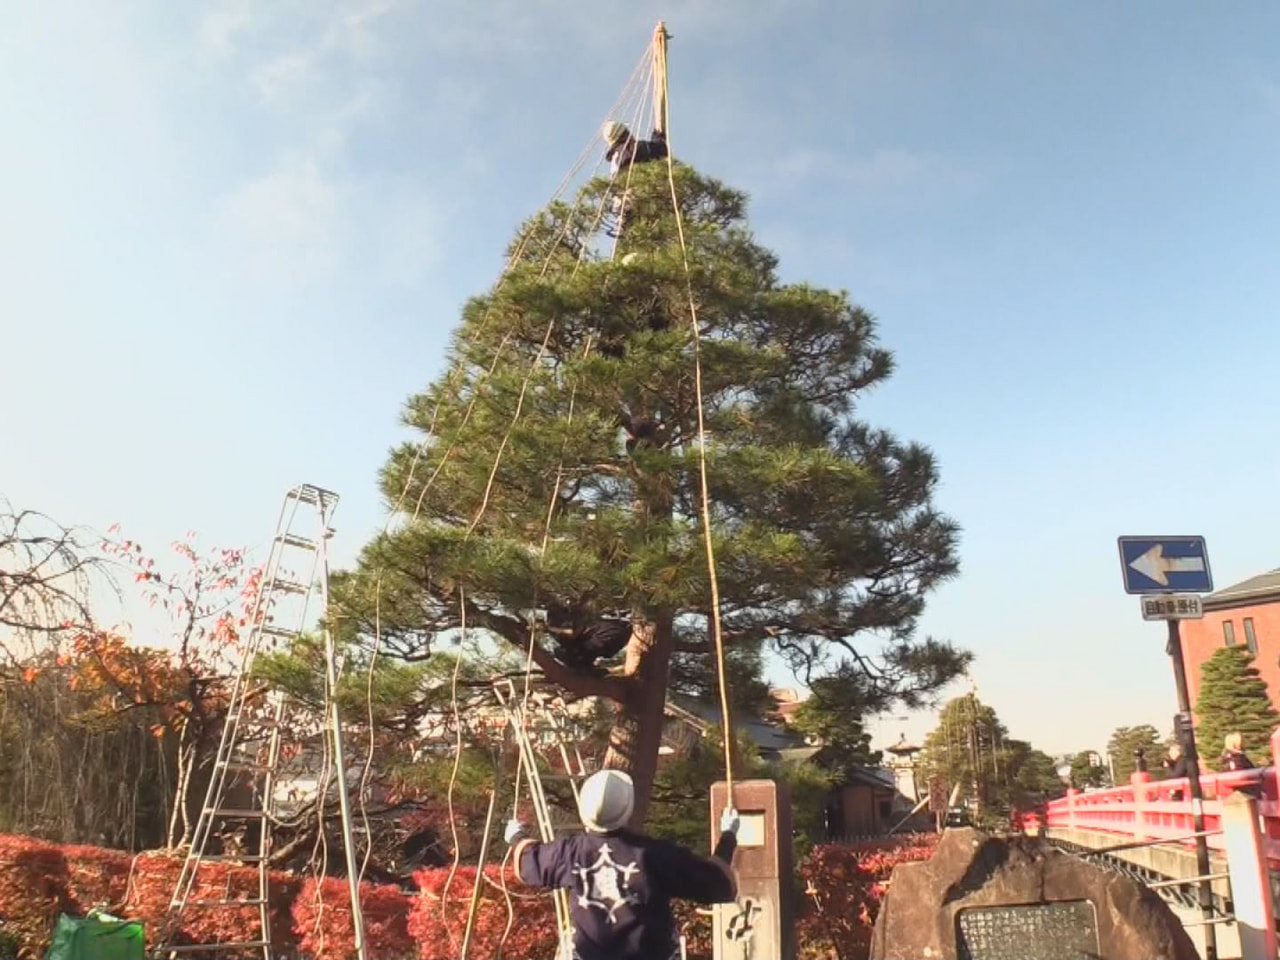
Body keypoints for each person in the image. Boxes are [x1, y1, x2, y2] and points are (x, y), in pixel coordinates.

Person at [505, 769, 740, 960]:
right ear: (627, 810)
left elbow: (529, 862)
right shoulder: (655, 854)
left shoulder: (570, 853)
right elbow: (714, 884)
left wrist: (516, 837)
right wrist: (728, 837)